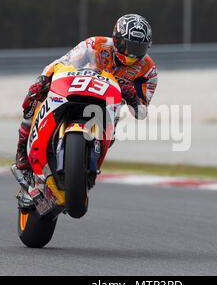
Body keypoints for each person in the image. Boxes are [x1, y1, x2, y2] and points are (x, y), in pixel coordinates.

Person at [13, 14, 158, 177]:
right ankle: (21, 154)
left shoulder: (148, 69)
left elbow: (142, 112)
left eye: (138, 49)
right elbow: (63, 62)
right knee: (33, 97)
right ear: (116, 39)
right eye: (127, 45)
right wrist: (43, 78)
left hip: (107, 108)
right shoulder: (95, 44)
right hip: (78, 89)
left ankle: (87, 169)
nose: (131, 54)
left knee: (110, 140)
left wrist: (133, 99)